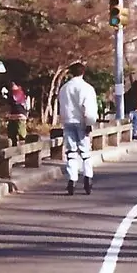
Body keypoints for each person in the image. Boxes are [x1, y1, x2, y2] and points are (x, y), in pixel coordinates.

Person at [58, 62, 99, 195]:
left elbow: (62, 106)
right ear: (83, 72)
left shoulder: (64, 88)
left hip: (68, 121)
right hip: (81, 121)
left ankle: (72, 180)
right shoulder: (87, 88)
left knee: (71, 152)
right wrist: (89, 122)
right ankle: (88, 179)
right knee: (85, 152)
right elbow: (89, 107)